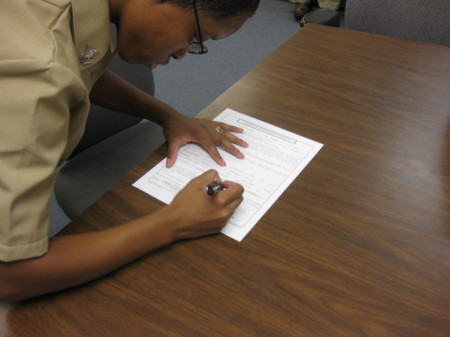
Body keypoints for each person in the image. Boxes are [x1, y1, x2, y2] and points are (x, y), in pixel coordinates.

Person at [0, 0, 259, 301]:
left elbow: (79, 65)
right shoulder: (39, 78)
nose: (180, 53)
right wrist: (176, 221)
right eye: (194, 37)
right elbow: (11, 275)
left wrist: (167, 115)